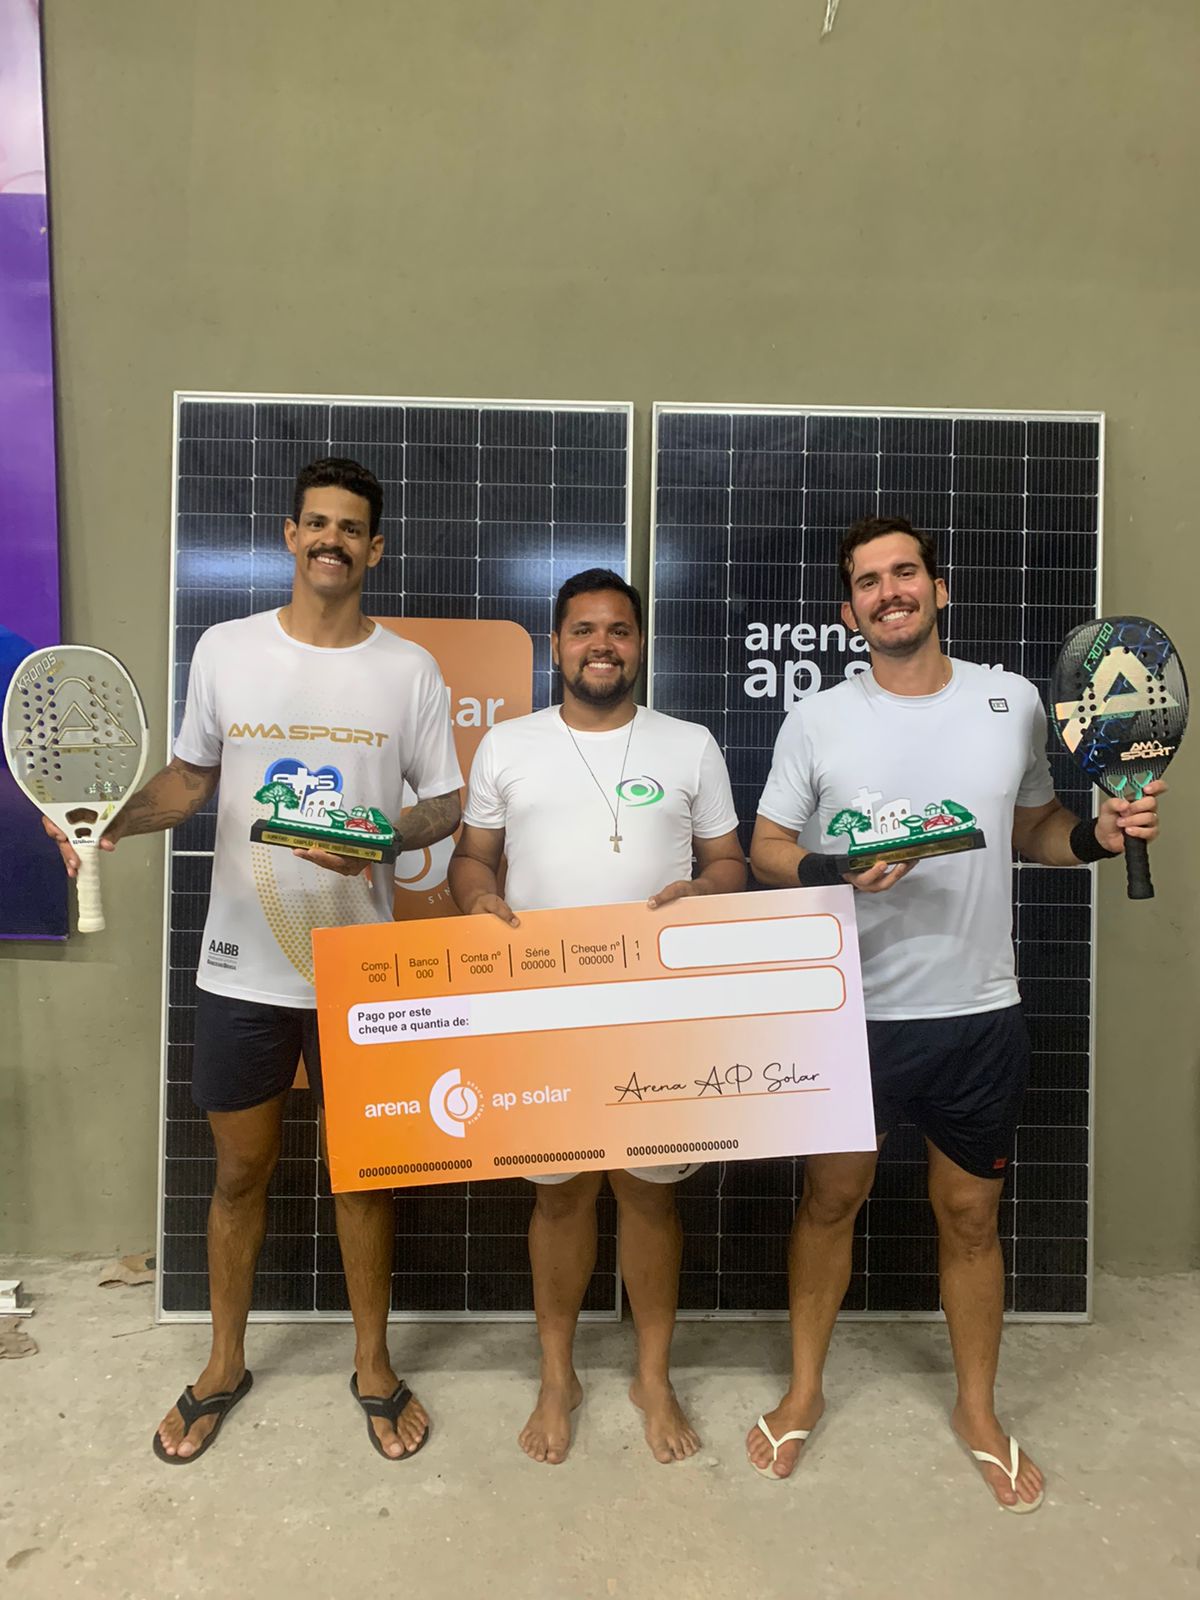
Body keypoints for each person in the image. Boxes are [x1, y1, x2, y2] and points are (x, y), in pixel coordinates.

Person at [45, 458, 463, 1464]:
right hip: (241, 969)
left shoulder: (408, 670)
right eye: (315, 522)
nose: (332, 539)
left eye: (350, 527)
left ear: (375, 548)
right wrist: (111, 824)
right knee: (239, 1171)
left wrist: (380, 838)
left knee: (363, 1179)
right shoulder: (226, 650)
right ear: (290, 536)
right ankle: (223, 1361)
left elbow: (449, 805)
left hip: (357, 971)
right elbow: (189, 781)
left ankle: (372, 1362)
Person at [744, 515, 1162, 1511]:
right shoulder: (819, 719)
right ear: (850, 611)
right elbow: (765, 845)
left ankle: (978, 1408)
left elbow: (1030, 830)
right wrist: (835, 867)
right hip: (849, 1013)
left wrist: (1100, 835)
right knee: (830, 1200)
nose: (888, 592)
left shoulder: (1010, 701)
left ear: (939, 588)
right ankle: (805, 1387)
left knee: (971, 1217)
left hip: (978, 1012)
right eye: (867, 582)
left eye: (904, 573)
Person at [448, 568, 746, 1466]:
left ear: (642, 643)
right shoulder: (507, 745)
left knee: (650, 1198)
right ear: (556, 644)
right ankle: (557, 1374)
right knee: (561, 1194)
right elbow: (473, 859)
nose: (602, 645)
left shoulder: (691, 744)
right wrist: (477, 903)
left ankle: (652, 1375)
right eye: (583, 630)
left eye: (619, 629)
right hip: (544, 1008)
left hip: (659, 1012)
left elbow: (730, 862)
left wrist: (701, 889)